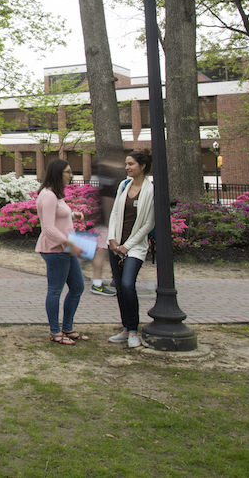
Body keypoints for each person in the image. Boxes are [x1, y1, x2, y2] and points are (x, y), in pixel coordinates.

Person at [106, 149, 155, 348]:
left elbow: (148, 224)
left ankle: (134, 329)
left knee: (128, 284)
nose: (127, 167)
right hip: (116, 245)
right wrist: (112, 239)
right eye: (126, 164)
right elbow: (115, 212)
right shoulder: (124, 185)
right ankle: (126, 329)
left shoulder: (150, 189)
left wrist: (128, 246)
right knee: (119, 288)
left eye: (131, 164)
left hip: (134, 248)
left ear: (142, 166)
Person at [35, 158, 87, 345]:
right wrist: (68, 243)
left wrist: (73, 215)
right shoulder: (48, 195)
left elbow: (58, 216)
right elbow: (48, 228)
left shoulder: (55, 194)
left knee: (78, 287)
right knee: (55, 291)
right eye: (68, 171)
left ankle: (67, 327)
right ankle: (55, 332)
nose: (71, 175)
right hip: (56, 250)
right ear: (58, 173)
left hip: (65, 248)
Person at [88, 148, 127, 296]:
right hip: (105, 221)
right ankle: (97, 284)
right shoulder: (106, 174)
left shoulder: (103, 174)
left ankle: (112, 279)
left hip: (103, 220)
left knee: (105, 251)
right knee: (101, 252)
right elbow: (106, 199)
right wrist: (111, 221)